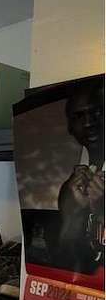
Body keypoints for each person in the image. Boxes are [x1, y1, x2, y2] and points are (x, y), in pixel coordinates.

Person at [56, 77, 104, 274]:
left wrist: (102, 213)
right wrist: (78, 211)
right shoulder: (71, 188)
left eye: (98, 112)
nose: (89, 123)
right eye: (79, 116)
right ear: (70, 127)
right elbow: (63, 257)